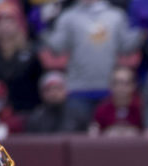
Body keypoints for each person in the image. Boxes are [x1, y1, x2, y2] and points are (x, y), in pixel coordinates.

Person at [44, 0, 142, 132]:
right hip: (78, 91)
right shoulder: (68, 16)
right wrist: (42, 27)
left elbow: (126, 47)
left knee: (107, 145)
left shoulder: (116, 15)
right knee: (77, 141)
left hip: (110, 91)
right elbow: (57, 47)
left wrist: (142, 28)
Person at [0, 2, 44, 113]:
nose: (5, 25)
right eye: (0, 21)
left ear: (19, 24)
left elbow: (39, 88)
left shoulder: (31, 54)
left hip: (26, 113)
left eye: (9, 20)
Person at [88, 64, 144, 136]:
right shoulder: (102, 109)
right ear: (110, 85)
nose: (120, 87)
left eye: (125, 83)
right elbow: (94, 134)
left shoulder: (142, 108)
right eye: (116, 83)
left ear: (133, 85)